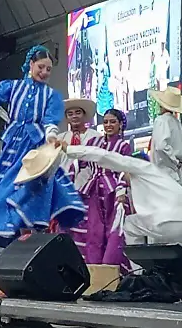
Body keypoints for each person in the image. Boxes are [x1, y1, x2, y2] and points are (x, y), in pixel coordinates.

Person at [0, 45, 85, 261]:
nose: (44, 72)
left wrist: (51, 136)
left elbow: (50, 121)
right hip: (12, 146)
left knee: (30, 188)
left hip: (33, 148)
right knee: (3, 188)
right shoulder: (11, 87)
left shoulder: (51, 96)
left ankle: (26, 241)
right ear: (30, 64)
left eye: (49, 69)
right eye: (41, 67)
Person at [56, 140, 182, 256]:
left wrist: (70, 150)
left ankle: (137, 271)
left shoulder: (139, 166)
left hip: (167, 221)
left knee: (129, 224)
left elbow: (104, 156)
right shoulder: (163, 177)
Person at [75, 109, 132, 272]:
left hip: (114, 192)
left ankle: (111, 270)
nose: (108, 125)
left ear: (120, 125)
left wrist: (122, 193)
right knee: (93, 230)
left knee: (114, 233)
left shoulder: (123, 146)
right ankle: (93, 272)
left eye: (112, 122)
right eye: (106, 122)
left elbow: (125, 170)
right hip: (93, 191)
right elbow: (81, 165)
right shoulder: (93, 142)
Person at [148, 87, 182, 185]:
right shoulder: (176, 122)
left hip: (164, 173)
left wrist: (174, 161)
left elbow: (161, 146)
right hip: (175, 174)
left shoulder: (162, 121)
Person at [59, 98, 101, 190]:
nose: (74, 116)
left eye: (78, 112)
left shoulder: (96, 137)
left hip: (89, 187)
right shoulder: (60, 139)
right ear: (66, 118)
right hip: (64, 188)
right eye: (70, 114)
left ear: (84, 115)